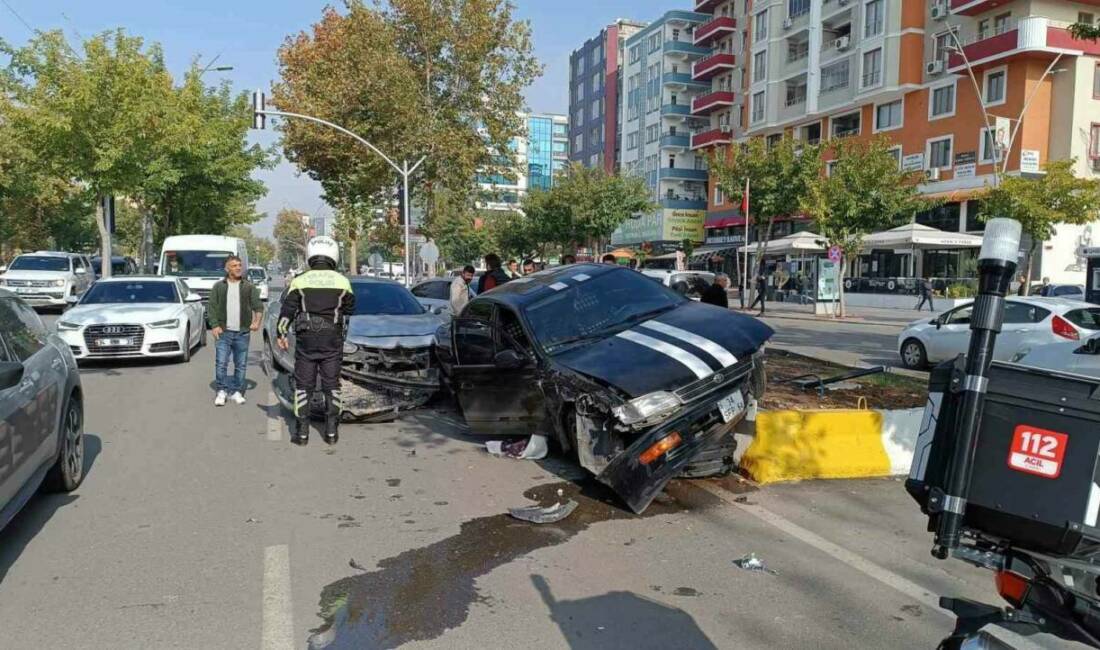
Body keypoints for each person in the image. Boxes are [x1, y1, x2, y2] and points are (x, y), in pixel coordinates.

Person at [277, 236, 356, 446]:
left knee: (304, 386)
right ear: (334, 256)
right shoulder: (343, 281)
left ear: (310, 255)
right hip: (332, 340)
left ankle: (302, 434)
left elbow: (286, 313)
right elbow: (350, 308)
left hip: (306, 341)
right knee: (332, 385)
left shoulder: (300, 280)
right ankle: (331, 432)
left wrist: (281, 335)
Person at [208, 255, 263, 406]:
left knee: (241, 364)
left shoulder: (248, 287)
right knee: (221, 363)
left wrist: (256, 322)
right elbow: (211, 308)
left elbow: (258, 306)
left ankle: (237, 391)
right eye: (234, 266)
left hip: (242, 333)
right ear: (227, 269)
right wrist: (214, 325)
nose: (238, 268)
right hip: (223, 332)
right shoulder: (219, 287)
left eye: (239, 265)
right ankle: (221, 391)